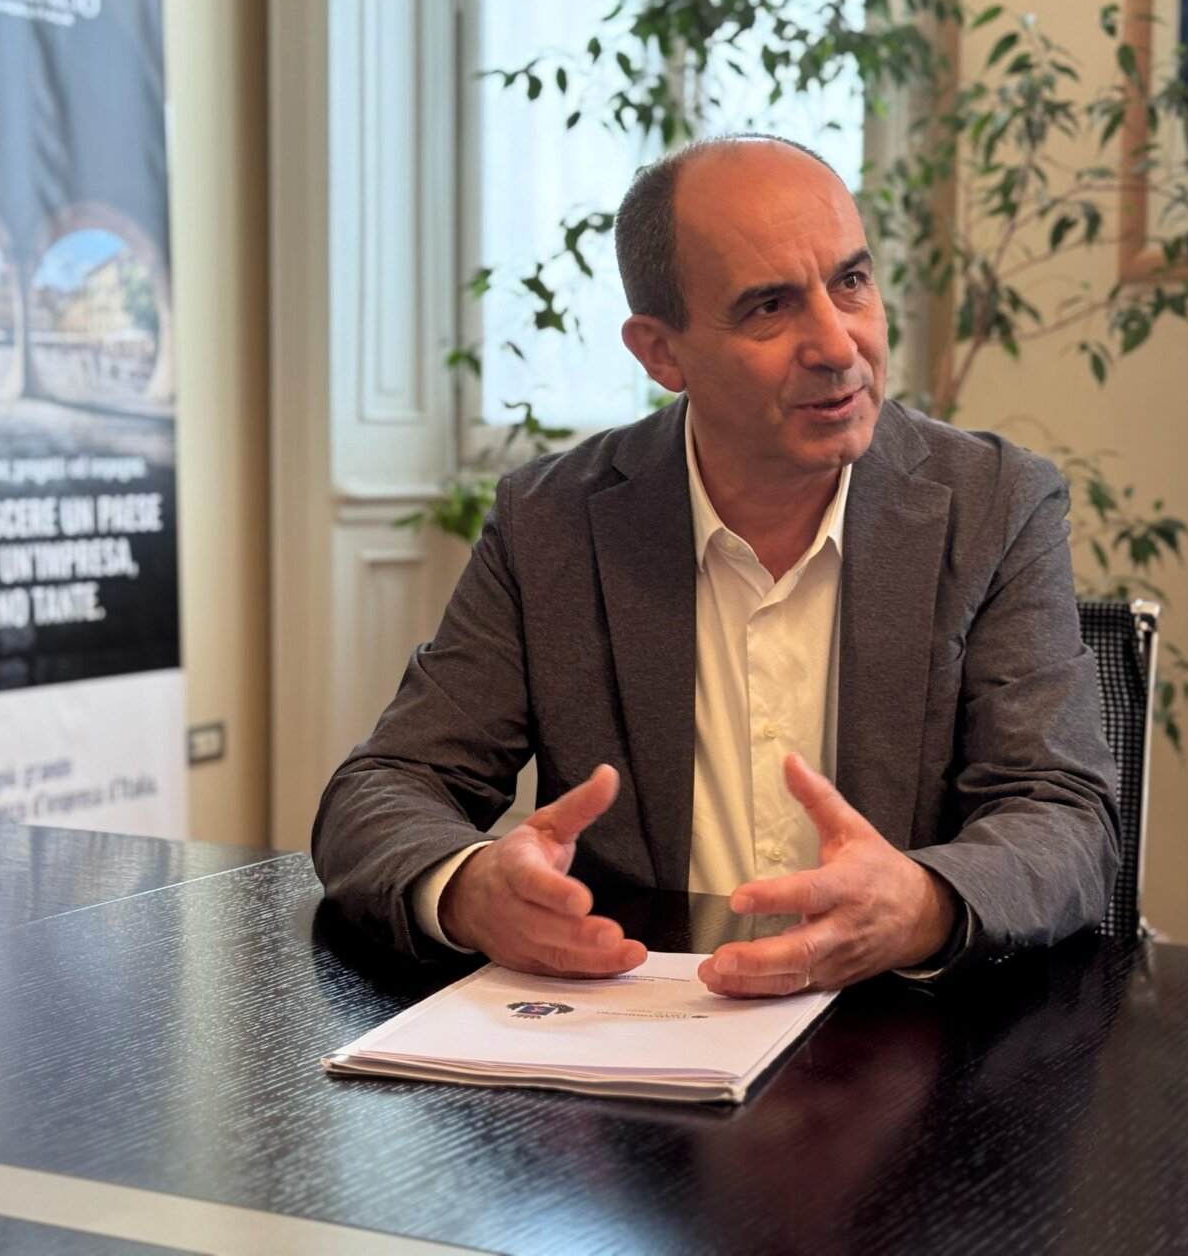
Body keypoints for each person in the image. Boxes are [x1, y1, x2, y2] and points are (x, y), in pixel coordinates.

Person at [312, 134, 1118, 996]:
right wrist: (471, 889)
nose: (836, 344)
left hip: (903, 1024)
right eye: (769, 306)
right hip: (633, 1026)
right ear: (661, 353)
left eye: (850, 281)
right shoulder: (551, 521)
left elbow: (1063, 814)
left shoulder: (994, 504)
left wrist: (920, 904)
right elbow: (386, 786)